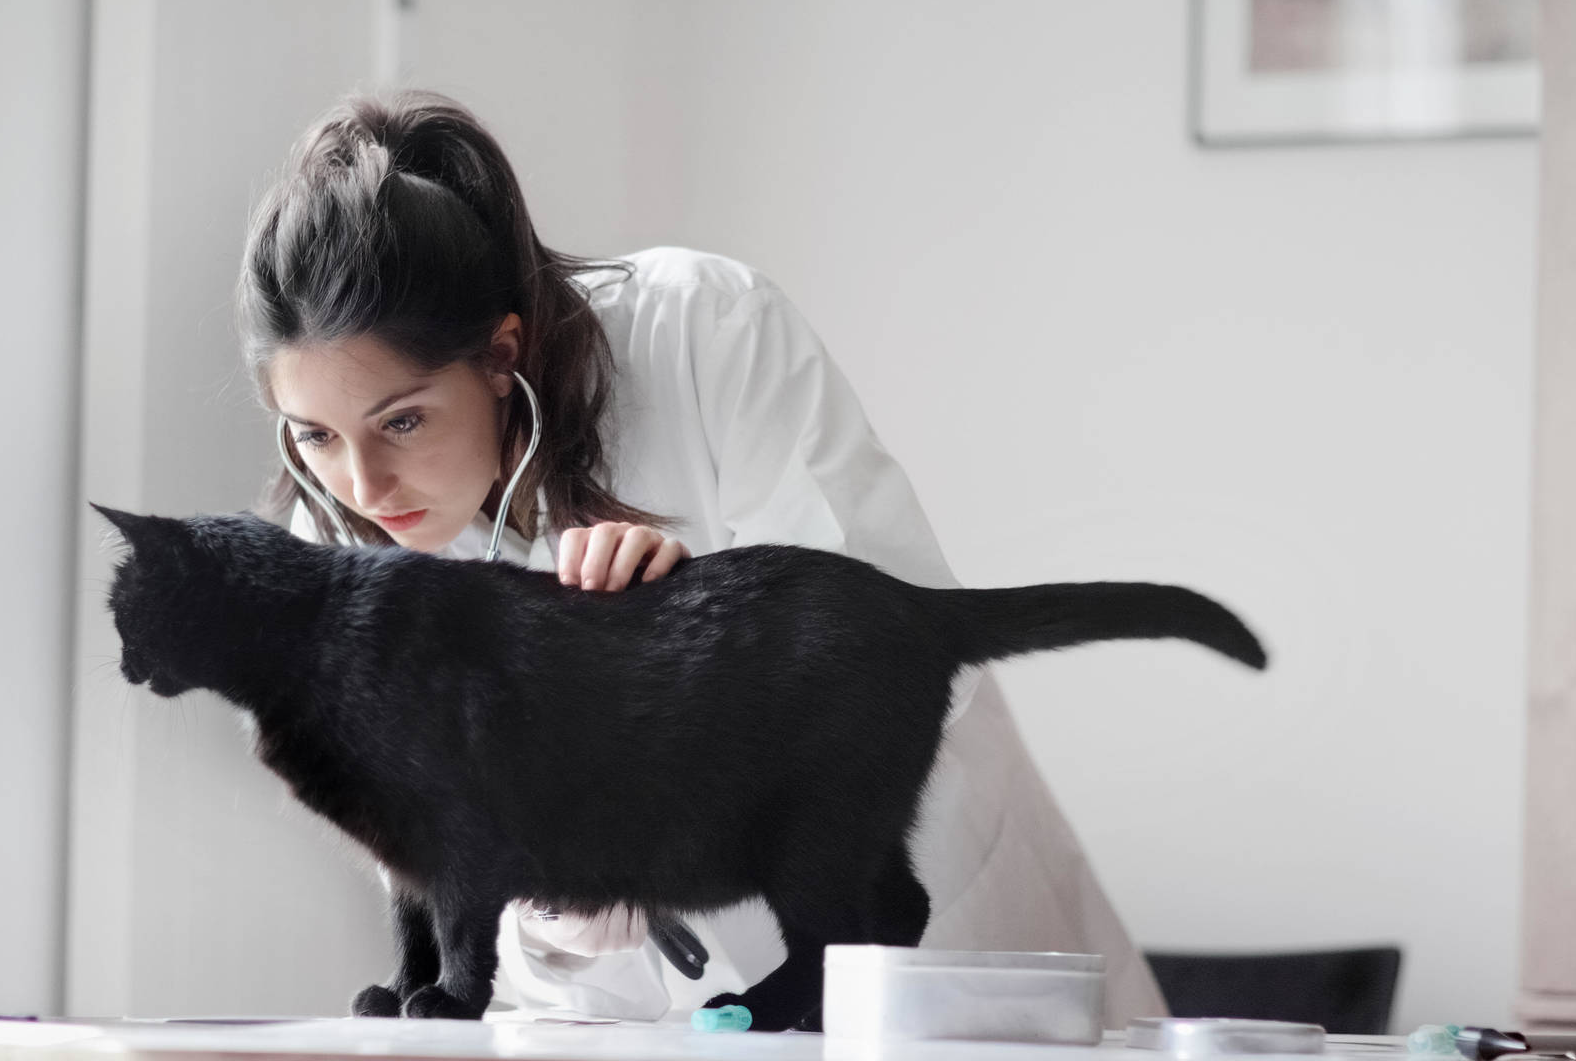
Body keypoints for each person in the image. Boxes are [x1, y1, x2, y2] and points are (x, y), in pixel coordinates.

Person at [236, 89, 1167, 1027]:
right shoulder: (339, 547)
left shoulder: (701, 331)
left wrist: (667, 630)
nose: (361, 485)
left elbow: (889, 655)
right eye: (313, 436)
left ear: (499, 354)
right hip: (601, 1001)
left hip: (917, 962)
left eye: (402, 420)